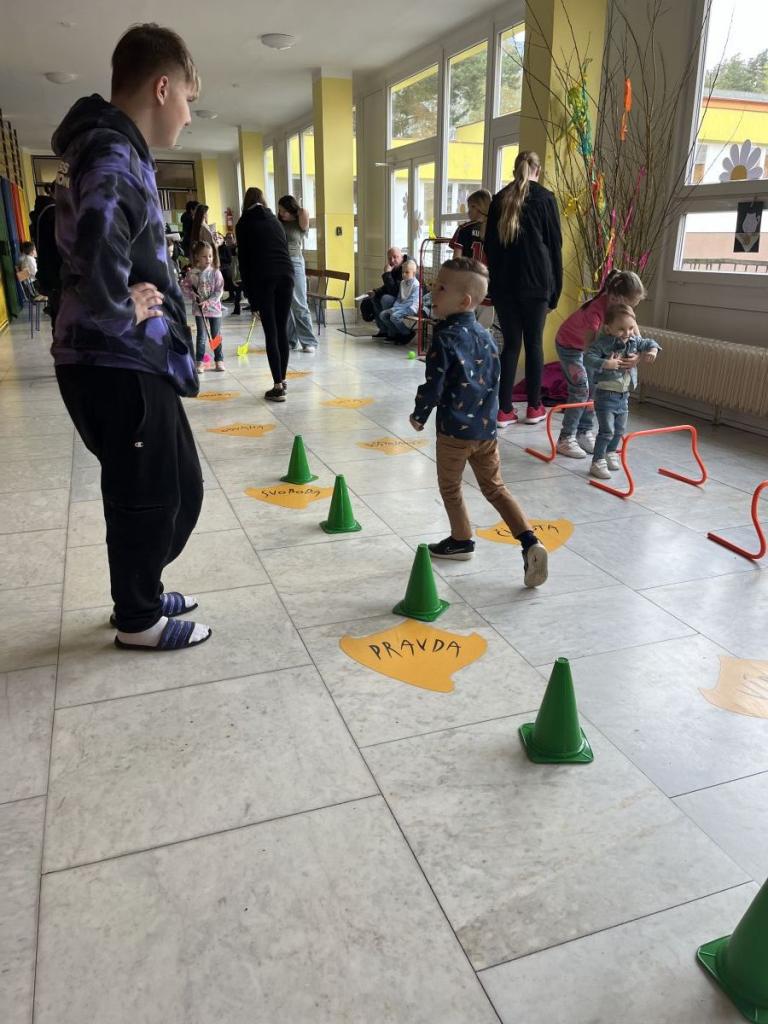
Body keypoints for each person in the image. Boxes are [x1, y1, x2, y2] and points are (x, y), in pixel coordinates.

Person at [51, 23, 210, 651]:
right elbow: (95, 256)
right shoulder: (114, 155)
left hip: (129, 357)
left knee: (175, 486)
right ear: (162, 88)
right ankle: (138, 617)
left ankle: (141, 586)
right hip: (114, 358)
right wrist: (125, 308)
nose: (189, 116)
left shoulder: (115, 150)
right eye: (188, 100)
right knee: (147, 492)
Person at [409, 257, 549, 588]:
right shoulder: (486, 337)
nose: (433, 292)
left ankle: (461, 540)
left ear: (465, 301)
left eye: (441, 288)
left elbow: (434, 385)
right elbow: (494, 380)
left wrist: (419, 414)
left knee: (450, 487)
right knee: (495, 488)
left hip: (453, 432)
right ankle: (529, 541)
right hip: (485, 431)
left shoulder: (444, 338)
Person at [485, 150, 562, 427]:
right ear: (538, 170)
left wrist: (493, 286)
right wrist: (555, 291)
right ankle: (534, 407)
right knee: (534, 344)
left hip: (504, 287)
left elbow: (490, 248)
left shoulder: (499, 200)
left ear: (514, 169)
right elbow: (554, 248)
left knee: (510, 346)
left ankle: (503, 410)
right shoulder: (545, 199)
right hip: (536, 285)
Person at [554, 269, 646, 458]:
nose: (629, 311)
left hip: (590, 350)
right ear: (615, 298)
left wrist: (636, 356)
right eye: (629, 305)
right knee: (581, 388)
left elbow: (638, 339)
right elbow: (590, 352)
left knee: (596, 386)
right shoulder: (595, 312)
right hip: (570, 347)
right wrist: (606, 363)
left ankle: (584, 431)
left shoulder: (621, 309)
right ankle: (565, 438)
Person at [585, 304, 660, 480]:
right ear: (608, 329)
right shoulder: (603, 343)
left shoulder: (634, 341)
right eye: (621, 329)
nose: (627, 333)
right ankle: (597, 462)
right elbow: (588, 357)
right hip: (605, 395)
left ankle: (610, 452)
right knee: (607, 431)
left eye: (631, 328)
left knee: (619, 430)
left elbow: (650, 342)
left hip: (623, 395)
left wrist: (653, 351)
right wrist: (606, 363)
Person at [236, 186, 294, 402]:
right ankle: (283, 380)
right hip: (287, 275)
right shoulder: (274, 221)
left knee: (271, 332)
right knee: (282, 330)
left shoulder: (244, 223)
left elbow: (245, 264)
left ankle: (277, 387)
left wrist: (253, 301)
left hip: (264, 278)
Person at [277, 194, 317, 352]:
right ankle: (290, 341)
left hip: (295, 262)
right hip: (280, 262)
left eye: (284, 210)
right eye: (280, 210)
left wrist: (297, 207)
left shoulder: (299, 222)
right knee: (284, 304)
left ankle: (309, 342)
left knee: (299, 303)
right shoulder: (279, 222)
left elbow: (304, 212)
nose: (281, 213)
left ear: (292, 209)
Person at [182, 241, 225, 373]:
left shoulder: (216, 272)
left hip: (214, 309)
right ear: (197, 257)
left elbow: (219, 290)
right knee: (201, 336)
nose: (208, 259)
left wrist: (209, 302)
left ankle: (219, 360)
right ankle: (199, 361)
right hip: (199, 310)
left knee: (216, 335)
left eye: (210, 256)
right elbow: (185, 287)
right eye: (204, 256)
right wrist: (192, 294)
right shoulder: (192, 273)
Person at [375, 259, 419, 342]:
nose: (404, 274)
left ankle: (407, 333)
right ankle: (397, 333)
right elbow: (399, 298)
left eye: (407, 272)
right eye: (403, 272)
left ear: (413, 273)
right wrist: (394, 308)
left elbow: (411, 302)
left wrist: (397, 309)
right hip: (401, 307)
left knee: (394, 316)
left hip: (411, 308)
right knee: (383, 315)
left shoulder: (416, 285)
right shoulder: (402, 283)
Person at [368, 246, 408, 327]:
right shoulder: (396, 267)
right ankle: (383, 330)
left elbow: (394, 291)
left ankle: (393, 331)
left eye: (395, 257)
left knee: (385, 299)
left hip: (407, 301)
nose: (392, 260)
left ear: (402, 257)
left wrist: (387, 274)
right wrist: (375, 292)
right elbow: (388, 286)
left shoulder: (407, 268)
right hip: (399, 297)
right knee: (375, 297)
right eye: (390, 258)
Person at [450, 189, 491, 263]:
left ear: (475, 207)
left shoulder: (463, 229)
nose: (468, 212)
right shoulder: (498, 230)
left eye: (469, 207)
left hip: (468, 270)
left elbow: (456, 260)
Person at [218, 232, 242, 315]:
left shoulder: (235, 247)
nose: (228, 240)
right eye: (227, 238)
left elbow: (231, 260)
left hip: (236, 269)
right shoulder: (224, 248)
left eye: (230, 238)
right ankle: (236, 306)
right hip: (233, 269)